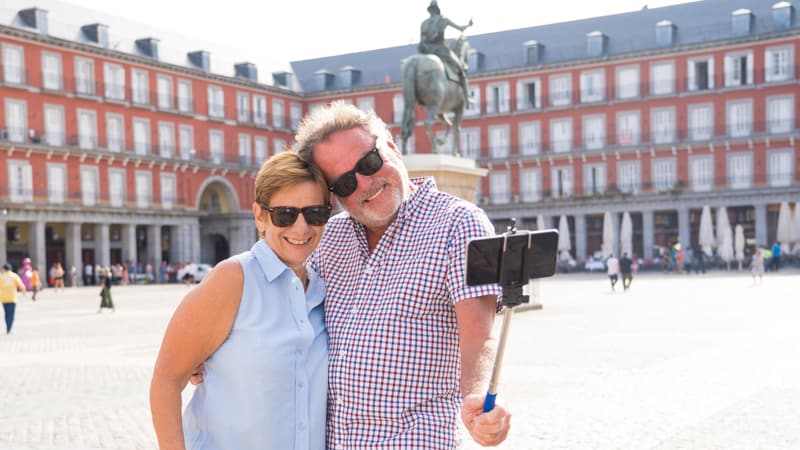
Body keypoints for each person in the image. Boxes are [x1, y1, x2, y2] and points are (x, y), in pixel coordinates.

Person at [294, 101, 510, 447]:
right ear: (333, 196)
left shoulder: (460, 223)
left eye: (369, 162)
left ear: (391, 147)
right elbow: (285, 312)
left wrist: (476, 399)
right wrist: (211, 353)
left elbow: (479, 336)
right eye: (346, 183)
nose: (365, 183)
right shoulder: (330, 238)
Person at [150, 151, 332, 449]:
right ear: (260, 216)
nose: (301, 228)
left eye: (314, 213)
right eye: (284, 214)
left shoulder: (323, 291)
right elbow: (166, 380)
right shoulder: (233, 278)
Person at [418, 0, 472, 103]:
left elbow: (422, 41)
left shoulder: (424, 23)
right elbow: (460, 28)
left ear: (429, 11)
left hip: (426, 52)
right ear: (438, 10)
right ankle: (467, 97)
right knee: (460, 68)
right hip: (440, 50)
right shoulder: (443, 20)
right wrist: (468, 25)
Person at [1, 263, 26, 334]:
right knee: (11, 314)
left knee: (6, 313)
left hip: (4, 298)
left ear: (4, 269)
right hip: (12, 298)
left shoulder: (1, 276)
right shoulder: (14, 276)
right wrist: (24, 292)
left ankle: (8, 327)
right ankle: (9, 329)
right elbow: (21, 285)